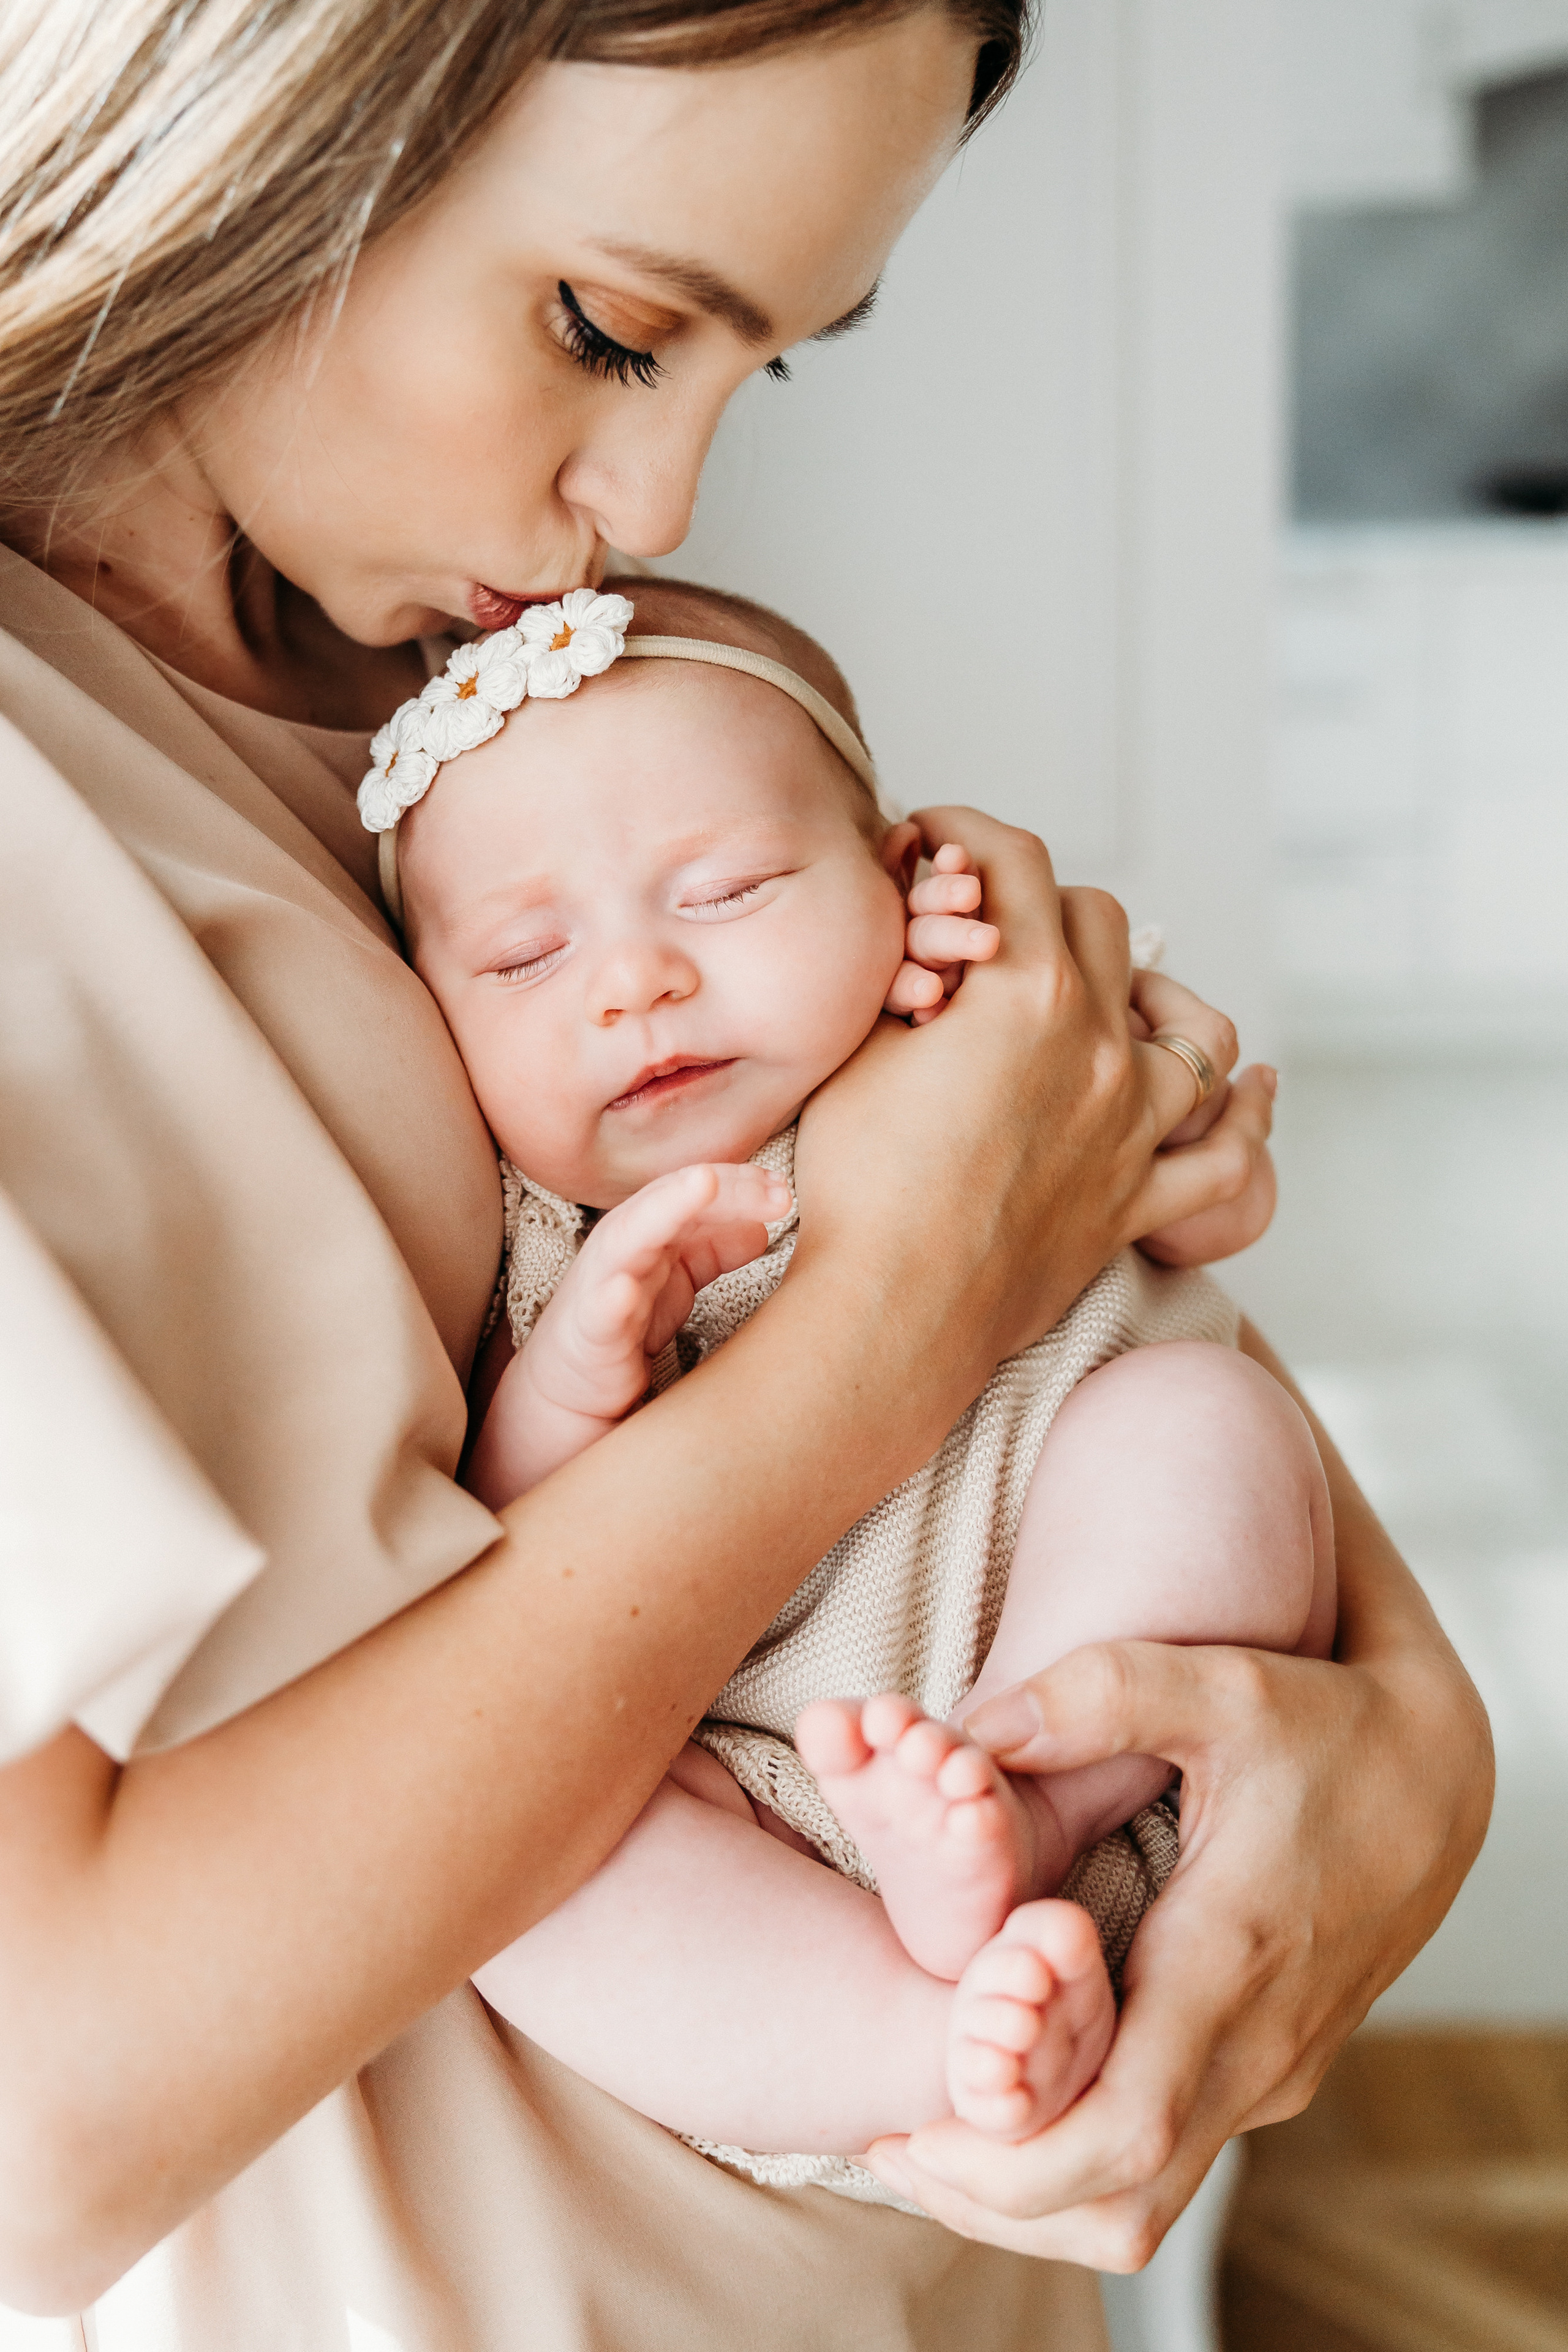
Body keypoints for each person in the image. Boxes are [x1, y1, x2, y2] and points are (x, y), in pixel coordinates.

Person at [0, 0, 1491, 2345]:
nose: (663, 503)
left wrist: (1409, 1747)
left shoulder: (483, 697)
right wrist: (905, 1306)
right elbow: (41, 2116)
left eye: (755, 367)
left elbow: (1097, 1399)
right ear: (258, 84)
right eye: (609, 328)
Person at [372, 571, 1334, 2166]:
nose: (635, 981)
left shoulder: (984, 1049)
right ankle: (931, 2046)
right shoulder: (546, 1239)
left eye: (731, 890)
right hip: (755, 1809)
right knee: (522, 1875)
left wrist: (1197, 1156)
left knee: (1212, 1423)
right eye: (529, 956)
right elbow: (514, 1550)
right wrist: (572, 1378)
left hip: (1089, 1702)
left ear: (905, 879)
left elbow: (1210, 1185)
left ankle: (1043, 1800)